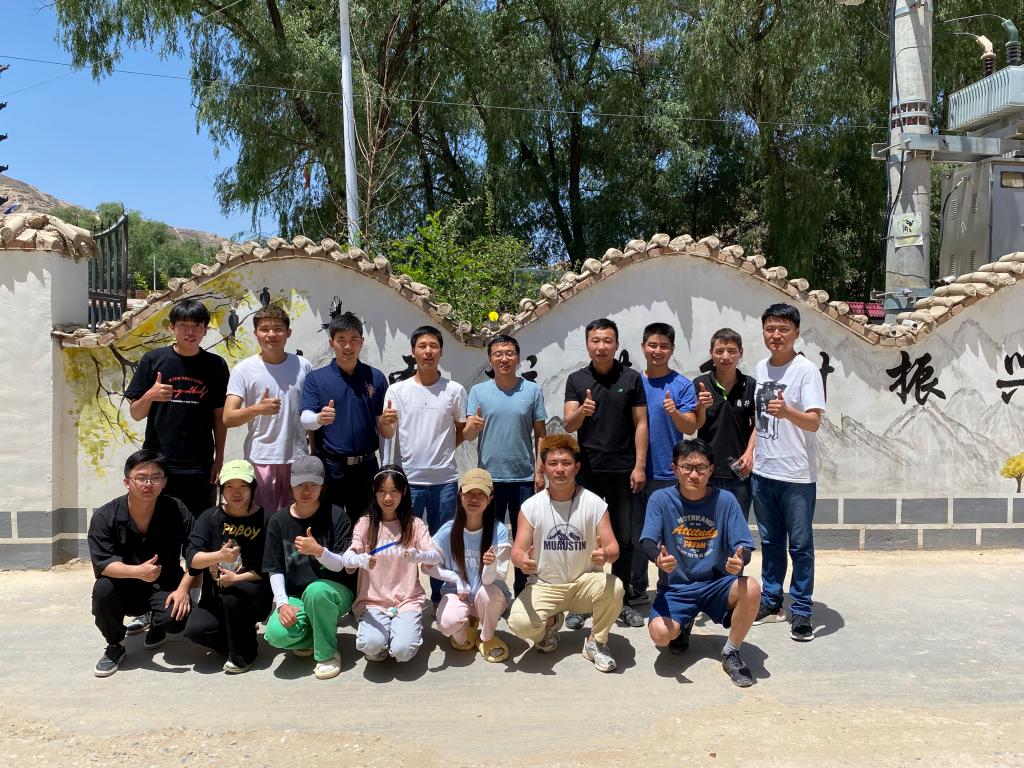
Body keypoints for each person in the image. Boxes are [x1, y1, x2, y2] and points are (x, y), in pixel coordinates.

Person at [642, 438, 761, 687]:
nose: (694, 475)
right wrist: (658, 559)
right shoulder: (661, 499)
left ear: (711, 470)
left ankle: (731, 651)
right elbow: (648, 540)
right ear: (675, 469)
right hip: (677, 587)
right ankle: (682, 624)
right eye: (687, 467)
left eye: (701, 468)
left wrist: (740, 560)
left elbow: (743, 544)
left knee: (751, 587)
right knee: (661, 635)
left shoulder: (725, 500)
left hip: (716, 584)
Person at [508, 435, 624, 673]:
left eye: (566, 463)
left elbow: (613, 548)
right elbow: (517, 550)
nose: (560, 469)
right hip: (545, 584)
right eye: (553, 463)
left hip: (583, 583)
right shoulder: (531, 507)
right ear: (544, 468)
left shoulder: (594, 504)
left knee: (615, 587)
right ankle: (551, 624)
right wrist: (522, 560)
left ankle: (596, 642)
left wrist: (605, 555)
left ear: (577, 467)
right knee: (519, 623)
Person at [563, 318, 647, 628]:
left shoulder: (631, 378)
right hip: (588, 471)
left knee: (623, 538)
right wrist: (581, 412)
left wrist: (639, 466)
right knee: (584, 538)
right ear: (588, 344)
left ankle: (621, 601)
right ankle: (581, 602)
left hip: (623, 470)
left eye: (607, 341)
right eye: (595, 341)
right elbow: (568, 424)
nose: (601, 347)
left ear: (616, 344)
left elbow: (641, 423)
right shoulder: (576, 379)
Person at [750, 304, 826, 642]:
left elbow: (814, 421)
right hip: (764, 472)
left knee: (800, 546)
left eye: (783, 329)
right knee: (770, 543)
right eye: (770, 329)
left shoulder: (806, 371)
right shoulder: (761, 367)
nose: (776, 335)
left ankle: (803, 611)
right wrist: (751, 452)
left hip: (796, 476)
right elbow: (759, 420)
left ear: (796, 332)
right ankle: (771, 601)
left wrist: (787, 411)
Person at [88, 450, 197, 677]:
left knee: (178, 617)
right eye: (141, 478)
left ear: (164, 482)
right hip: (123, 586)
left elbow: (195, 554)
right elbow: (103, 563)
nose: (148, 484)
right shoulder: (105, 516)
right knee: (103, 590)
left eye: (156, 478)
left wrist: (184, 590)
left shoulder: (177, 510)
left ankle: (158, 623)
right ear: (127, 482)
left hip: (164, 584)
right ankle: (115, 644)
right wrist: (138, 571)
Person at [125, 298, 229, 518]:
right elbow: (136, 413)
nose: (190, 332)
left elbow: (219, 416)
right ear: (172, 328)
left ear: (205, 330)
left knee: (199, 524)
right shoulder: (153, 360)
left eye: (196, 326)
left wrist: (219, 458)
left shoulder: (216, 365)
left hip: (199, 465)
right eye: (183, 325)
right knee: (159, 523)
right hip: (158, 463)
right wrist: (150, 395)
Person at [386, 325, 467, 604]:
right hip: (408, 482)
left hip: (445, 481)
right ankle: (404, 597)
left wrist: (443, 451)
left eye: (433, 346)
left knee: (441, 543)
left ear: (441, 351)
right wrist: (384, 424)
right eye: (422, 346)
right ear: (413, 352)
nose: (428, 351)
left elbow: (460, 430)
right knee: (404, 541)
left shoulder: (454, 390)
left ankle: (440, 597)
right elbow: (387, 432)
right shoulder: (397, 390)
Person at [462, 334, 546, 595]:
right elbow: (468, 434)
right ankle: (492, 590)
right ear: (490, 359)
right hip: (489, 481)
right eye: (498, 354)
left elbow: (541, 434)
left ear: (518, 358)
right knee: (489, 538)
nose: (504, 358)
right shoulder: (478, 392)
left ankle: (522, 589)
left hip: (524, 478)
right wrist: (472, 427)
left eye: (509, 353)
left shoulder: (532, 390)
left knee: (524, 537)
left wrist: (540, 470)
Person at [262, 455, 354, 680]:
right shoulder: (277, 521)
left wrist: (319, 552)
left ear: (322, 486)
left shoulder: (337, 515)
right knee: (275, 634)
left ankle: (327, 654)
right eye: (301, 484)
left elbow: (342, 565)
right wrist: (282, 603)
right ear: (291, 485)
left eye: (313, 485)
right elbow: (275, 568)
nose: (306, 490)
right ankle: (318, 636)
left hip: (334, 591)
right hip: (296, 595)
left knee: (316, 591)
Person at [300, 311, 396, 524]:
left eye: (354, 340)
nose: (348, 346)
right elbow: (305, 417)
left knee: (365, 526)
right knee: (329, 524)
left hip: (366, 467)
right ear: (331, 343)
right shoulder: (316, 379)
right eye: (341, 340)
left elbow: (384, 429)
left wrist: (385, 466)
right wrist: (319, 418)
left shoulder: (376, 377)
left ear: (362, 341)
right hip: (330, 466)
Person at [341, 465, 442, 663]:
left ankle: (400, 637)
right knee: (371, 645)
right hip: (372, 602)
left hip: (406, 600)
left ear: (403, 492)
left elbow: (436, 556)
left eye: (394, 491)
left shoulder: (415, 524)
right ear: (374, 492)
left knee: (403, 651)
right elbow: (348, 558)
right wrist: (359, 559)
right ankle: (380, 643)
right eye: (382, 491)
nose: (387, 498)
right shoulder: (365, 523)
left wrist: (419, 555)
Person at [184, 459, 272, 673]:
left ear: (252, 488)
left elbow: (271, 566)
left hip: (253, 594)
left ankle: (244, 655)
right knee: (196, 630)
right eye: (229, 486)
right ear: (221, 489)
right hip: (214, 597)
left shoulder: (267, 519)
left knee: (232, 594)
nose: (236, 492)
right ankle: (241, 637)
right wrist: (219, 555)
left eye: (243, 486)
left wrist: (237, 578)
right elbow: (192, 559)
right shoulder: (209, 518)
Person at [223, 305, 313, 514]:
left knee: (295, 519)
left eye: (278, 329)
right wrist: (257, 409)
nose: (271, 334)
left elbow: (310, 413)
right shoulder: (243, 369)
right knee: (263, 519)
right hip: (260, 458)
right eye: (264, 329)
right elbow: (228, 417)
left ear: (288, 333)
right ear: (256, 334)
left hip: (297, 457)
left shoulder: (304, 366)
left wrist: (313, 453)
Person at [636, 322, 698, 608]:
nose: (657, 351)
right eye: (652, 345)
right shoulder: (634, 382)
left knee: (670, 535)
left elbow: (691, 426)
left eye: (664, 346)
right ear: (643, 347)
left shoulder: (682, 385)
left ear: (672, 349)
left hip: (667, 472)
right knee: (636, 532)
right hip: (635, 470)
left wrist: (674, 412)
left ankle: (669, 588)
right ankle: (636, 588)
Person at [427, 468, 512, 663]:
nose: (474, 498)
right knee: (447, 624)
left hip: (489, 595)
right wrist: (454, 578)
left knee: (487, 594)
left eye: (481, 494)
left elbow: (495, 577)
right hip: (458, 594)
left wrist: (490, 565)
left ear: (490, 498)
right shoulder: (448, 530)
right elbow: (427, 566)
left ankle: (487, 637)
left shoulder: (498, 530)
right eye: (469, 493)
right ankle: (468, 627)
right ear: (460, 495)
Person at [693, 328, 757, 517]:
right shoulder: (700, 384)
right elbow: (694, 425)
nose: (726, 357)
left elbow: (759, 424)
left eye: (732, 351)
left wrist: (749, 453)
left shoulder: (750, 385)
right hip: (707, 470)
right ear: (711, 353)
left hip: (740, 471)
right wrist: (701, 407)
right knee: (706, 526)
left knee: (737, 526)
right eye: (719, 351)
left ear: (741, 353)